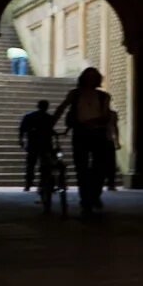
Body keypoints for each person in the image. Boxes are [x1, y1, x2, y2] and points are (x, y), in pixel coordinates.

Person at [53, 68, 115, 216]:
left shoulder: (103, 96)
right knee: (81, 168)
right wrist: (51, 124)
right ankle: (86, 199)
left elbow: (105, 115)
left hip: (98, 134)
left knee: (99, 168)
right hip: (80, 134)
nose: (91, 80)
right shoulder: (75, 94)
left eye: (94, 77)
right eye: (88, 76)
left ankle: (94, 195)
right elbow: (61, 108)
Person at [18, 99, 54, 192]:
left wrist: (21, 139)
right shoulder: (48, 117)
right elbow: (50, 130)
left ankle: (28, 183)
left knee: (31, 164)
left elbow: (22, 129)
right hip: (45, 144)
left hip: (33, 143)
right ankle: (42, 182)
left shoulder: (30, 116)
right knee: (44, 164)